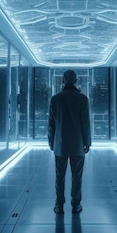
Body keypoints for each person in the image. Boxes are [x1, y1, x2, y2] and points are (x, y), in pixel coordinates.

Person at [48, 70, 91, 214]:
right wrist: (87, 142)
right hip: (78, 144)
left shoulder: (55, 99)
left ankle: (59, 205)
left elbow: (51, 125)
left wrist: (51, 142)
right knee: (77, 176)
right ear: (76, 81)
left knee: (59, 176)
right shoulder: (82, 99)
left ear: (63, 80)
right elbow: (85, 124)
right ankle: (75, 205)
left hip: (60, 144)